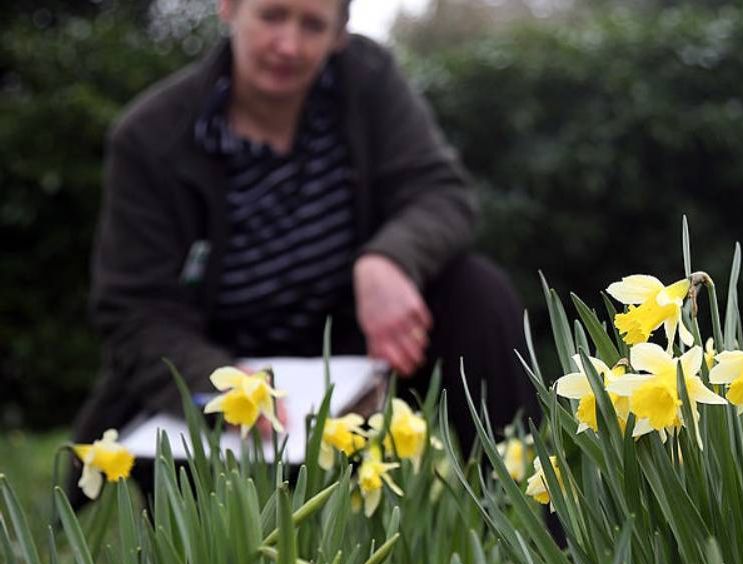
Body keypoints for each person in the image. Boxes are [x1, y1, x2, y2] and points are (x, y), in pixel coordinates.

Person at [69, 0, 538, 505]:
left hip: (362, 358)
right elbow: (133, 310)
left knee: (476, 288)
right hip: (220, 378)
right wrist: (225, 385)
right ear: (229, 9)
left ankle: (524, 508)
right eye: (272, 15)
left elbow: (442, 192)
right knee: (230, 547)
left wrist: (389, 259)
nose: (288, 45)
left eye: (312, 25)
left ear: (340, 34)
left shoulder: (367, 79)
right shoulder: (149, 137)